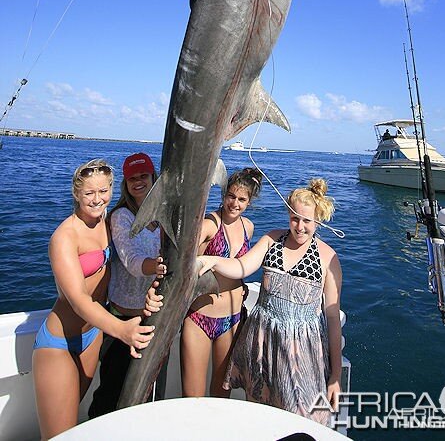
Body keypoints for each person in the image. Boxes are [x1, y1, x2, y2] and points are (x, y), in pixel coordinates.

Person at [198, 177, 342, 425]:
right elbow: (242, 266)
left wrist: (335, 375)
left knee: (301, 417)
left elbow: (332, 318)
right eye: (294, 218)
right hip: (263, 343)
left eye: (307, 220)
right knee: (260, 416)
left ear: (318, 220)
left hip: (303, 352)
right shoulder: (271, 240)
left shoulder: (328, 258)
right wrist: (213, 261)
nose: (299, 226)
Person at [32, 159, 155, 441]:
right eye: (89, 193)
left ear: (113, 190)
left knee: (74, 423)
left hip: (92, 337)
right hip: (60, 342)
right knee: (58, 435)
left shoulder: (108, 222)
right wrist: (122, 329)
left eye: (103, 191)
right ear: (76, 193)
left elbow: (126, 265)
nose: (97, 199)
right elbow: (78, 301)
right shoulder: (64, 237)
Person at [89, 152, 167, 418]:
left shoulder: (164, 216)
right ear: (125, 183)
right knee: (110, 397)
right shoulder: (121, 216)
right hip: (122, 321)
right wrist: (156, 265)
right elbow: (131, 261)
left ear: (152, 177)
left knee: (147, 398)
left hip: (154, 320)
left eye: (143, 176)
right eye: (132, 178)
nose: (138, 182)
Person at [180, 167, 262, 398]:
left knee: (221, 394)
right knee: (192, 397)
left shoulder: (248, 227)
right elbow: (184, 257)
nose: (235, 203)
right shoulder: (209, 224)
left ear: (249, 201)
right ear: (224, 194)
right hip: (200, 319)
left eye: (242, 199)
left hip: (232, 319)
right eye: (231, 196)